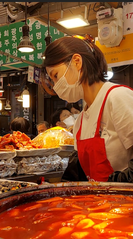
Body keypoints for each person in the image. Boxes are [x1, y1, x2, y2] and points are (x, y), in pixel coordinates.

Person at [42, 35, 133, 182]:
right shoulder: (80, 122)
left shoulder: (117, 97)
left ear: (77, 62)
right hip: (97, 203)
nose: (56, 86)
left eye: (56, 76)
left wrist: (114, 183)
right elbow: (78, 176)